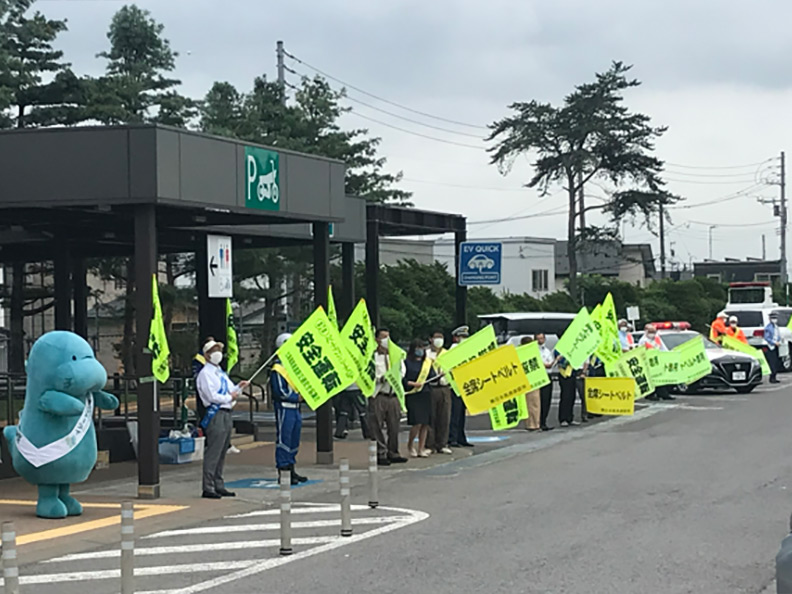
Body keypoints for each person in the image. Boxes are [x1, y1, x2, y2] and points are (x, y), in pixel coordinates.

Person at [196, 339, 249, 499]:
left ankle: (218, 483)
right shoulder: (205, 374)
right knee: (214, 451)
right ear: (206, 355)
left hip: (226, 412)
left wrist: (239, 387)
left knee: (222, 450)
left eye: (218, 350)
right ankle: (208, 486)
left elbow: (230, 389)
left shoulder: (220, 372)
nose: (217, 353)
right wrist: (229, 396)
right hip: (216, 412)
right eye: (213, 351)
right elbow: (212, 396)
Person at [270, 333, 308, 485]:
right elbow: (279, 391)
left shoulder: (293, 366)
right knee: (284, 439)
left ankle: (292, 468)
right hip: (285, 407)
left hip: (296, 408)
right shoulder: (278, 368)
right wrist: (295, 397)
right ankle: (283, 470)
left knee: (294, 439)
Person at [370, 328, 408, 466]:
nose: (387, 340)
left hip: (393, 395)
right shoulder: (372, 356)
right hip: (379, 394)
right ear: (377, 340)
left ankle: (394, 452)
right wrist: (380, 378)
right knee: (377, 426)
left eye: (389, 337)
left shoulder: (395, 355)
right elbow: (369, 375)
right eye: (384, 337)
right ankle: (381, 453)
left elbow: (402, 371)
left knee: (394, 426)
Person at [404, 339, 433, 457]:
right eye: (418, 347)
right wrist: (412, 384)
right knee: (416, 423)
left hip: (425, 394)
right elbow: (403, 379)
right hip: (413, 394)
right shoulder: (406, 363)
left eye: (422, 347)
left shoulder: (426, 363)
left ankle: (421, 448)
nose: (420, 350)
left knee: (425, 423)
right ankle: (410, 445)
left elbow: (432, 376)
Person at [426, 330, 453, 454]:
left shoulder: (448, 354)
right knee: (431, 416)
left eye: (441, 337)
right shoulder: (426, 354)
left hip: (444, 387)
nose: (439, 340)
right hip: (431, 387)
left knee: (444, 416)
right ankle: (429, 444)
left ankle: (442, 443)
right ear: (430, 339)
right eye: (436, 337)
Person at [448, 325, 474, 448]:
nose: (464, 339)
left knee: (461, 413)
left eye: (465, 337)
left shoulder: (466, 350)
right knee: (455, 413)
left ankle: (461, 437)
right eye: (461, 336)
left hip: (464, 385)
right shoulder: (453, 350)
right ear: (456, 338)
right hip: (454, 386)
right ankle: (452, 438)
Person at [639, 324, 675, 401]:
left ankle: (663, 394)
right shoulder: (643, 341)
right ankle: (651, 395)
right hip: (649, 363)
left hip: (658, 362)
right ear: (646, 331)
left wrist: (669, 355)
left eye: (654, 332)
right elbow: (640, 351)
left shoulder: (657, 339)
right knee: (651, 380)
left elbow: (663, 349)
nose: (652, 333)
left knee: (660, 379)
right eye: (650, 331)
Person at [520, 336, 542, 431]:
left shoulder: (533, 353)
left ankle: (534, 423)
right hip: (530, 380)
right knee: (532, 403)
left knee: (532, 403)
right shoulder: (522, 353)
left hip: (531, 379)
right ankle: (533, 424)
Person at [536, 333, 555, 431]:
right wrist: (545, 365)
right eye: (538, 339)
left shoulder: (547, 351)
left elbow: (550, 363)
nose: (541, 340)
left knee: (547, 399)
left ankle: (544, 421)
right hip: (540, 376)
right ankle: (538, 422)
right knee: (540, 400)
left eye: (542, 338)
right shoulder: (535, 351)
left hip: (548, 375)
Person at [764, 313, 782, 384]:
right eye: (773, 318)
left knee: (776, 362)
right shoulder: (768, 328)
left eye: (775, 318)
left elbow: (778, 335)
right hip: (770, 346)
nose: (774, 319)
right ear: (770, 319)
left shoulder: (776, 327)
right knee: (772, 362)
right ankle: (772, 377)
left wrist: (779, 341)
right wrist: (774, 342)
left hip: (776, 346)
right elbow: (767, 337)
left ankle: (775, 376)